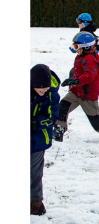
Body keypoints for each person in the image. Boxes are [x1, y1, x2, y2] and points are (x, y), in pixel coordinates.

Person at [53, 32, 99, 142]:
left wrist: (75, 81)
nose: (75, 49)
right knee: (63, 106)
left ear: (86, 47)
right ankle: (59, 129)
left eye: (76, 47)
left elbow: (89, 76)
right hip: (76, 92)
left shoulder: (91, 59)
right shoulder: (80, 56)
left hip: (87, 96)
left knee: (96, 122)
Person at [30, 64, 61, 215]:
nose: (43, 91)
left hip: (39, 140)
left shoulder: (51, 95)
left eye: (45, 88)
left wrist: (36, 122)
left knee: (34, 173)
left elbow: (53, 117)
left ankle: (35, 205)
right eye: (39, 89)